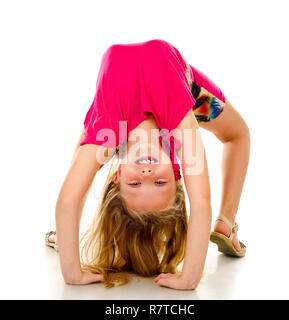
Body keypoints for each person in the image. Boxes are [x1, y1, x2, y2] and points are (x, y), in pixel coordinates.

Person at [45, 39, 250, 290]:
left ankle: (64, 233)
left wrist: (72, 273)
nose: (147, 172)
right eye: (159, 181)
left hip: (112, 115)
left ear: (118, 175)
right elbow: (200, 201)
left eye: (135, 183)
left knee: (85, 151)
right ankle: (225, 224)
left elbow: (67, 200)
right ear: (177, 176)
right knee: (238, 135)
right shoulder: (180, 124)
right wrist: (189, 278)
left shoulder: (108, 129)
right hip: (188, 87)